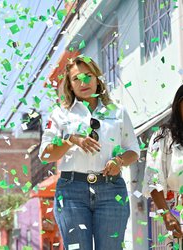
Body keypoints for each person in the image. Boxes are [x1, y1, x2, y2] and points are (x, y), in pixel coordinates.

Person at [39, 56, 140, 250]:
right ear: (69, 84)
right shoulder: (61, 114)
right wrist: (71, 140)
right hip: (71, 192)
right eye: (76, 78)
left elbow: (133, 150)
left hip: (111, 190)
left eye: (88, 76)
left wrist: (118, 161)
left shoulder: (118, 111)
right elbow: (45, 154)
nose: (83, 82)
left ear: (97, 78)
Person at [143, 85, 183, 241]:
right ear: (178, 104)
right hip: (178, 215)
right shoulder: (163, 137)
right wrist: (167, 215)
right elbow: (153, 180)